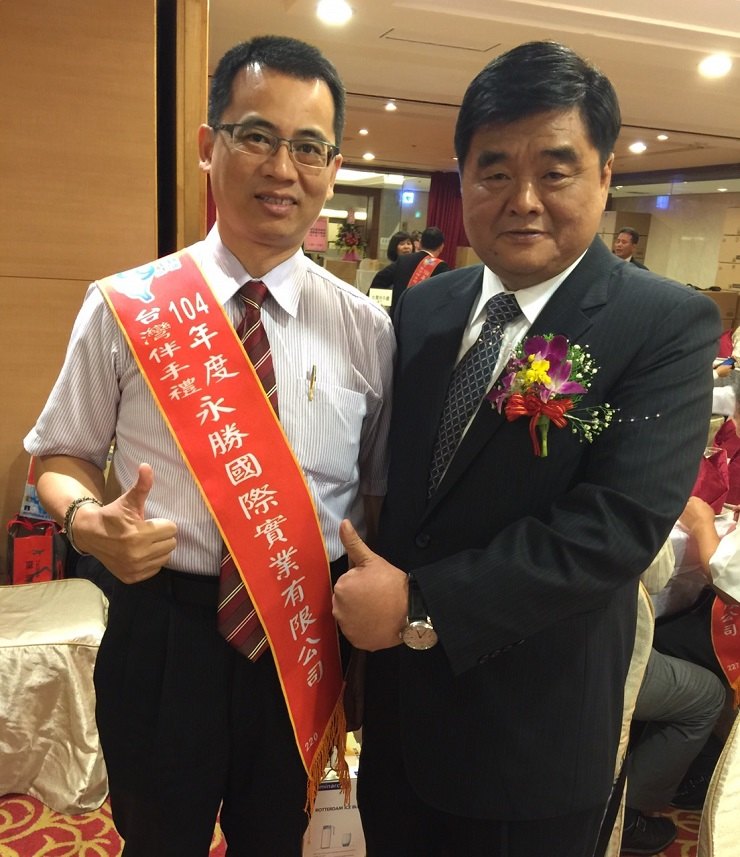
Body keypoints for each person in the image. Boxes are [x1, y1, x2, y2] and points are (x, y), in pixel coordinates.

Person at [331, 40, 720, 857]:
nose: (524, 200)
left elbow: (614, 528)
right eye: (496, 170)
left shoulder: (664, 323)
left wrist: (421, 604)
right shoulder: (427, 307)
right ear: (462, 178)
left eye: (556, 170)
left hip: (530, 738)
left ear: (605, 175)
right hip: (402, 721)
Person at [24, 35, 394, 857]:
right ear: (207, 144)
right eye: (257, 136)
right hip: (164, 629)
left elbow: (373, 497)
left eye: (309, 147)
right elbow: (58, 455)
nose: (282, 168)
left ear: (333, 167)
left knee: (279, 840)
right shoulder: (125, 305)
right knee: (158, 838)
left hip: (302, 631)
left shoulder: (368, 330)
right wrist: (86, 521)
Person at [370, 225, 449, 316]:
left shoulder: (403, 260)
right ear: (441, 247)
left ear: (420, 244)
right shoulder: (441, 267)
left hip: (397, 317)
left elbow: (379, 280)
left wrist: (388, 304)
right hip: (423, 318)